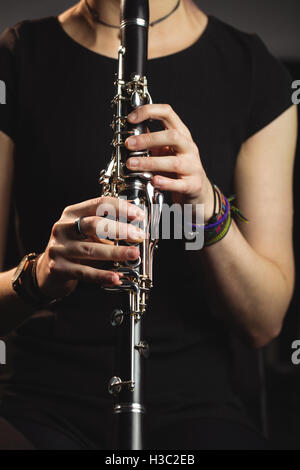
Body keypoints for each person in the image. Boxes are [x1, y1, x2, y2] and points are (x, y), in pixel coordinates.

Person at [0, 0, 297, 450]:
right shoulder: (18, 56)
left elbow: (264, 322)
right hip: (38, 401)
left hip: (197, 408)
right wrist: (40, 274)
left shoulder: (255, 72)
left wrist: (206, 205)